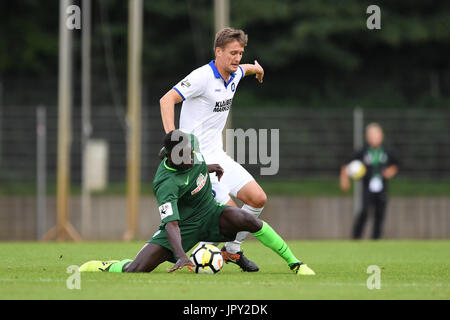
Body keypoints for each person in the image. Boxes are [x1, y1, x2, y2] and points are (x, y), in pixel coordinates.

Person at [79, 130, 315, 276]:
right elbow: (171, 225)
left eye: (192, 153)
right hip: (184, 228)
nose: (191, 158)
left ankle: (295, 264)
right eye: (186, 157)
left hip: (212, 214)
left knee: (247, 219)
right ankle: (107, 265)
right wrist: (182, 255)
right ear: (172, 157)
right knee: (137, 270)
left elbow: (196, 163)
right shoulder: (166, 184)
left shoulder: (189, 150)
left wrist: (210, 167)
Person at [159, 27, 266, 272]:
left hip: (218, 154)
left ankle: (231, 251)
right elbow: (167, 100)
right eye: (232, 53)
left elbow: (246, 69)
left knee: (257, 199)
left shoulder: (236, 72)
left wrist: (257, 69)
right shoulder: (201, 77)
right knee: (231, 214)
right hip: (197, 160)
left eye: (240, 53)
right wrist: (173, 138)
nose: (237, 58)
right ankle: (198, 254)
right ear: (218, 52)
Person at [340, 123, 399, 239]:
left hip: (382, 187)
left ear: (381, 136)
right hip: (367, 187)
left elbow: (396, 164)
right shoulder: (362, 151)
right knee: (364, 211)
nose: (374, 137)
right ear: (367, 137)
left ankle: (375, 240)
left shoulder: (387, 151)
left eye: (376, 134)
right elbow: (346, 165)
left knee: (380, 213)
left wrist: (391, 171)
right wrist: (344, 179)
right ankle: (356, 238)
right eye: (371, 135)